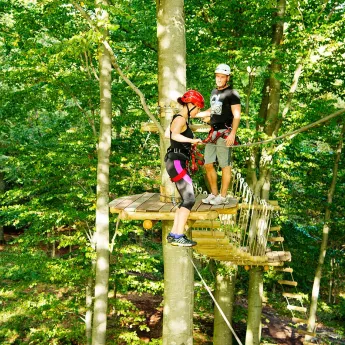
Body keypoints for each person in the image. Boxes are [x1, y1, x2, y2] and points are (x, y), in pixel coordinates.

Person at [164, 90, 204, 247]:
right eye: (198, 108)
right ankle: (179, 235)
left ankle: (175, 234)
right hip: (176, 161)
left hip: (175, 161)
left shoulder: (179, 119)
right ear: (191, 105)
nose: (198, 111)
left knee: (186, 199)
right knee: (189, 199)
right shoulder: (180, 119)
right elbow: (173, 135)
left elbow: (168, 134)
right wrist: (192, 140)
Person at [196, 64, 241, 205]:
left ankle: (222, 197)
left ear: (227, 78)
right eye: (217, 76)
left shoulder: (232, 93)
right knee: (208, 164)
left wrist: (232, 134)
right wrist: (195, 114)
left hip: (225, 132)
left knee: (224, 165)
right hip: (213, 132)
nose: (219, 79)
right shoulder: (214, 92)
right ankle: (214, 194)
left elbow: (237, 115)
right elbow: (213, 110)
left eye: (222, 77)